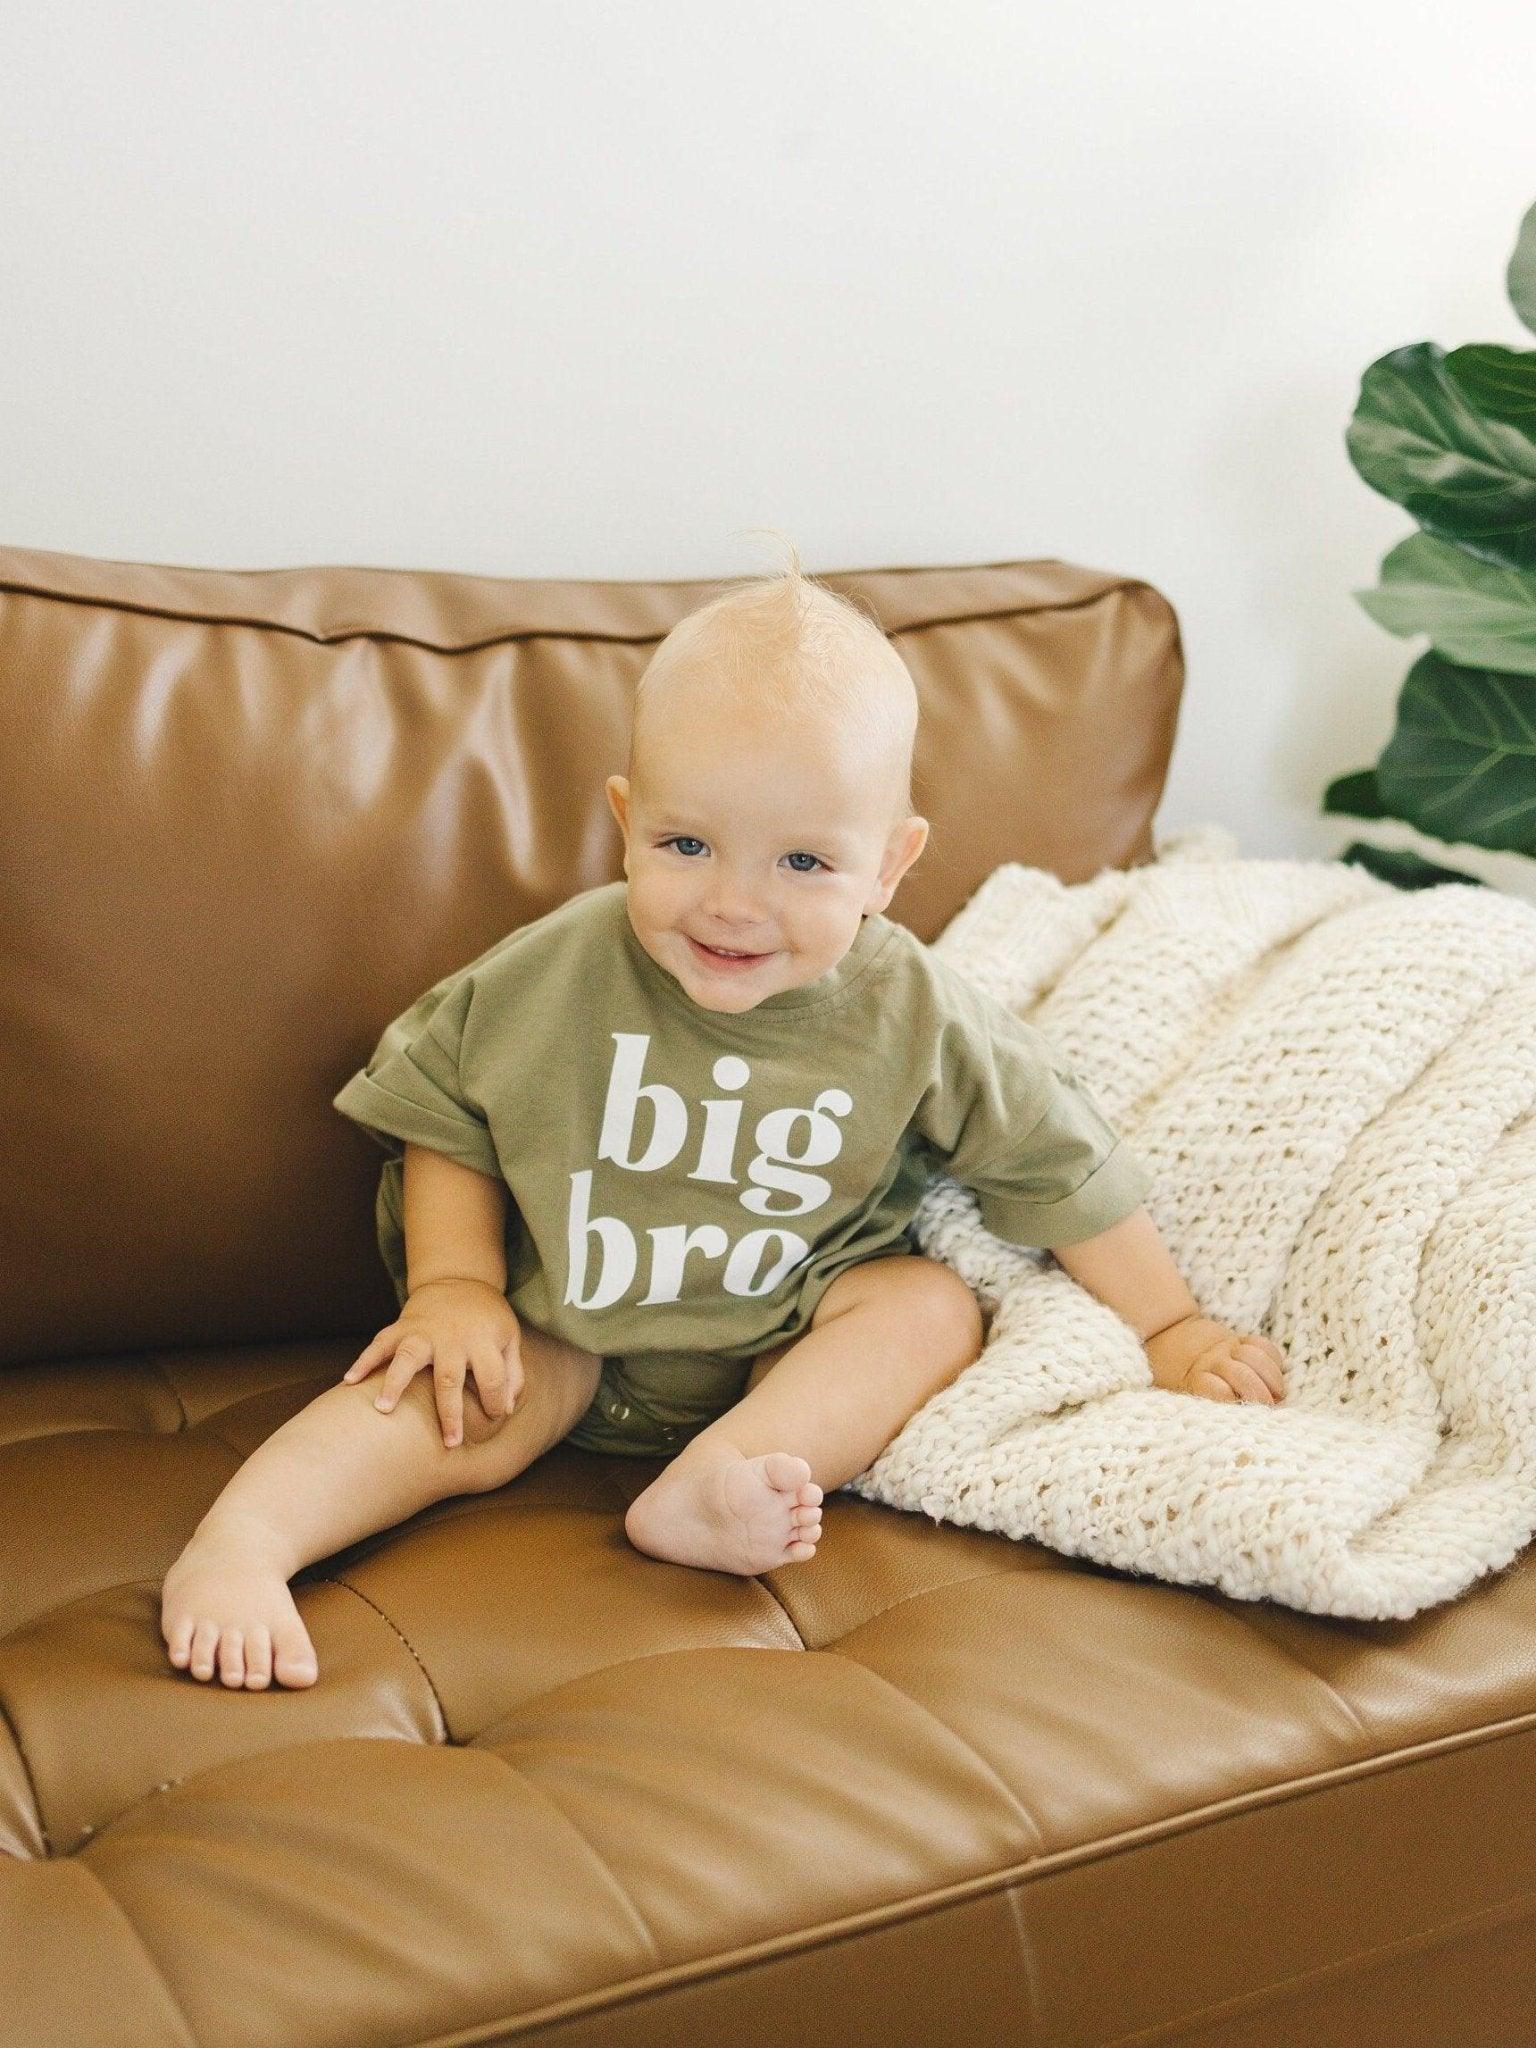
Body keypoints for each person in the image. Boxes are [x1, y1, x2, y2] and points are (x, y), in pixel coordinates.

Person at [160, 535, 1285, 1691]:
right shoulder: (560, 967)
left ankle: (724, 1475)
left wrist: (1171, 1326)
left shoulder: (915, 1010)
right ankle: (246, 1542)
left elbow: (1059, 1162)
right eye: (687, 843)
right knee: (436, 1393)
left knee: (928, 1304)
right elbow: (442, 1103)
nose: (736, 903)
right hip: (561, 1326)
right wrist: (456, 1285)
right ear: (625, 818)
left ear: (889, 865)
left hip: (780, 1337)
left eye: (804, 861)